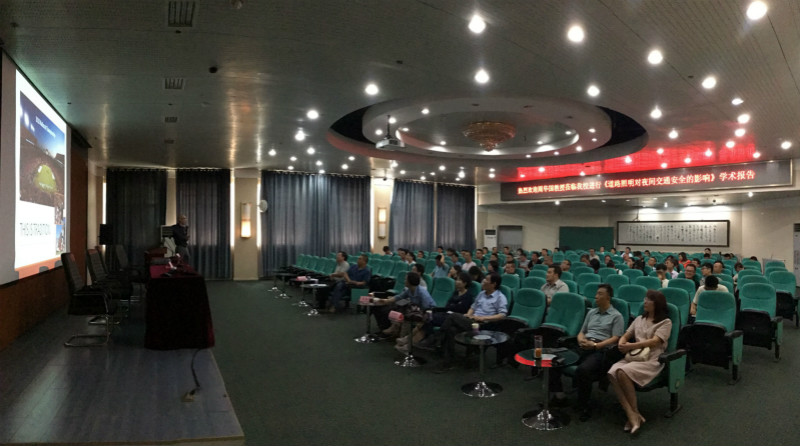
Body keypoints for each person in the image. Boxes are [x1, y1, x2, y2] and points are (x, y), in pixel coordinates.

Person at [550, 283, 624, 421]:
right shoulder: (591, 312)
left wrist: (595, 345)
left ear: (608, 297)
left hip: (600, 349)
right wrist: (581, 340)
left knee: (584, 370)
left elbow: (616, 338)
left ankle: (583, 405)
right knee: (554, 359)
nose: (596, 296)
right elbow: (582, 331)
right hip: (584, 344)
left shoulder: (616, 316)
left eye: (600, 294)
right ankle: (560, 396)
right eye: (596, 293)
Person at [607, 290, 672, 434]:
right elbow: (627, 334)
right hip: (634, 356)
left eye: (648, 300)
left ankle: (633, 415)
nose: (645, 302)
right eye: (645, 299)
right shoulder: (639, 319)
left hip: (652, 359)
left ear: (657, 304)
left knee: (622, 371)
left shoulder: (665, 322)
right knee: (612, 372)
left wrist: (630, 346)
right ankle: (632, 414)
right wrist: (622, 342)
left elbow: (655, 342)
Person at [436, 272, 508, 373]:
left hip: (484, 324)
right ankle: (449, 362)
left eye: (486, 280)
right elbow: (473, 307)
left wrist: (483, 318)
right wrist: (468, 314)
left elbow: (502, 315)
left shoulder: (500, 297)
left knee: (453, 316)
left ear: (494, 284)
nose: (483, 281)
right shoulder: (481, 294)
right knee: (451, 330)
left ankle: (437, 337)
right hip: (472, 321)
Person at [372, 271, 435, 342]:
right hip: (416, 310)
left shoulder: (422, 293)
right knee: (401, 306)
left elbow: (427, 308)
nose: (404, 281)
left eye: (406, 279)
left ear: (410, 281)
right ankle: (395, 329)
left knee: (406, 311)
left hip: (428, 312)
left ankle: (403, 335)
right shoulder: (410, 290)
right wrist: (386, 301)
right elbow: (399, 297)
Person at [420, 271, 475, 347]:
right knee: (429, 316)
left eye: (459, 280)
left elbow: (461, 309)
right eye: (456, 279)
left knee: (432, 318)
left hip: (456, 317)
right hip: (447, 313)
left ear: (465, 283)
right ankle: (430, 338)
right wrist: (453, 306)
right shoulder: (455, 293)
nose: (456, 282)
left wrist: (452, 306)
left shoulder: (468, 296)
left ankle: (433, 340)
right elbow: (448, 305)